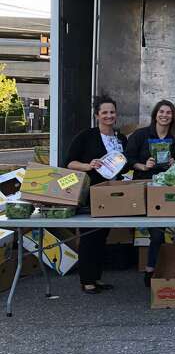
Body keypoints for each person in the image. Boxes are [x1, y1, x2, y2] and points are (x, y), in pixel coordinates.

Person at [64, 95, 128, 295]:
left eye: (112, 112)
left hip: (113, 192)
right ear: (97, 115)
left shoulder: (120, 138)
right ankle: (87, 280)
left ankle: (96, 277)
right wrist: (88, 165)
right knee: (90, 235)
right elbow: (69, 163)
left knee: (102, 236)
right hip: (92, 192)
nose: (109, 116)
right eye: (105, 112)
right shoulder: (86, 136)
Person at [125, 99, 175, 287]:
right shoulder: (140, 135)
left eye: (168, 112)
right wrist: (143, 165)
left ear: (172, 116)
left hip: (168, 189)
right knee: (157, 234)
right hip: (145, 187)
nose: (164, 115)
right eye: (161, 112)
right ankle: (150, 271)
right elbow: (128, 158)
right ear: (155, 115)